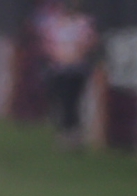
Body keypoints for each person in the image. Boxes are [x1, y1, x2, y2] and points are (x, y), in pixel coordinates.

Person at [33, 2, 97, 140]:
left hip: (76, 68)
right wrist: (55, 56)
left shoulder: (83, 23)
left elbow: (88, 42)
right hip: (59, 67)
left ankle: (71, 131)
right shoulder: (56, 23)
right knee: (59, 98)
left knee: (71, 100)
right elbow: (48, 42)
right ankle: (65, 127)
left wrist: (78, 54)